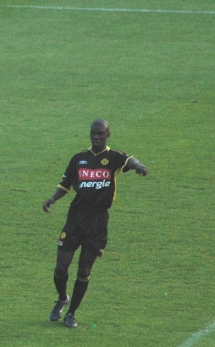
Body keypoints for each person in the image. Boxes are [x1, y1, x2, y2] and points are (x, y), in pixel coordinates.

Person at [42, 118, 148, 327]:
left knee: (84, 270)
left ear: (108, 134)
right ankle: (63, 297)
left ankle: (71, 313)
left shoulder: (113, 157)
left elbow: (130, 160)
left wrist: (139, 166)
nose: (96, 137)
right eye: (93, 133)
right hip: (75, 218)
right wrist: (52, 198)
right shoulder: (79, 158)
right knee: (61, 266)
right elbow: (65, 183)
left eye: (101, 133)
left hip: (97, 222)